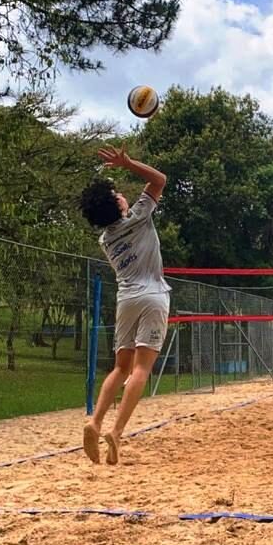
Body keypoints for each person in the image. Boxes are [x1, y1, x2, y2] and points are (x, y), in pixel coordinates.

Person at [78, 145, 169, 465]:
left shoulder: (105, 239)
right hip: (154, 295)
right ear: (118, 204)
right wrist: (127, 163)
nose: (122, 194)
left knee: (120, 368)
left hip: (126, 298)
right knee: (142, 369)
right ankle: (116, 433)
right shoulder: (139, 217)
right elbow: (160, 179)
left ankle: (94, 421)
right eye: (117, 194)